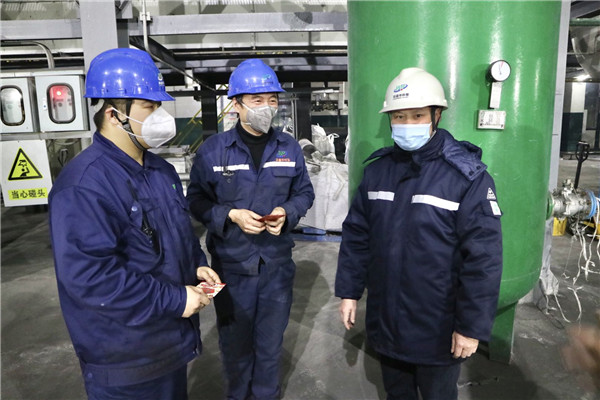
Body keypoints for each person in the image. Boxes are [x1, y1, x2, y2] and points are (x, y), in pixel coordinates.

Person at [48, 47, 221, 400]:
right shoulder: (84, 185)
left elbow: (178, 234)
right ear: (114, 115)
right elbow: (92, 279)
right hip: (125, 358)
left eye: (159, 105)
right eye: (149, 106)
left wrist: (196, 264)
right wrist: (175, 299)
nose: (161, 117)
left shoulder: (161, 171)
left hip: (169, 344)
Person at [335, 67, 503, 400]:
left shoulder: (466, 178)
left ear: (436, 115)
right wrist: (349, 292)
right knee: (396, 394)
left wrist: (470, 328)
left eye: (417, 115)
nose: (407, 123)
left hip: (437, 328)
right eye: (399, 116)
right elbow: (357, 237)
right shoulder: (377, 172)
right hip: (387, 320)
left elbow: (483, 260)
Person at [186, 58, 315, 400]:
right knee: (235, 347)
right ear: (236, 104)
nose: (267, 107)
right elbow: (195, 200)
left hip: (276, 266)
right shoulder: (213, 151)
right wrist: (230, 214)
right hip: (231, 267)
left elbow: (304, 192)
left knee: (270, 347)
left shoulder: (288, 147)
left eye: (272, 99)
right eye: (257, 100)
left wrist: (287, 212)